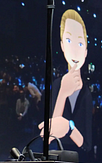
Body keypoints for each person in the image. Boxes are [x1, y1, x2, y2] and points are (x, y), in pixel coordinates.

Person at [38, 9, 93, 161]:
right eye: (69, 41)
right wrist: (62, 93)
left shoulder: (86, 93)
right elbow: (50, 137)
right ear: (62, 45)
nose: (75, 50)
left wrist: (69, 128)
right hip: (57, 156)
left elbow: (87, 145)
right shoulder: (57, 85)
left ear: (85, 51)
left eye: (80, 43)